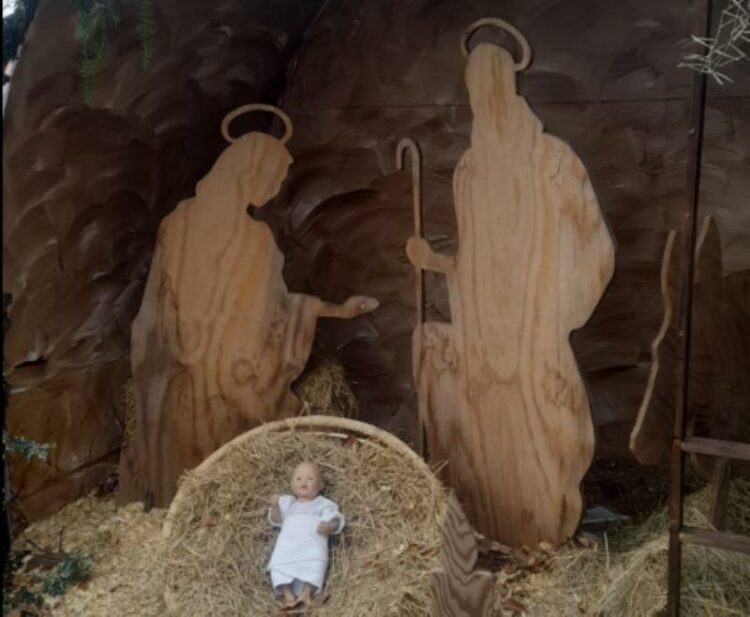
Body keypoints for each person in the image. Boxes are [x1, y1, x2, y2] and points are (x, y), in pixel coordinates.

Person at [267, 461, 344, 608]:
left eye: (310, 478)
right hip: (288, 547)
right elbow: (276, 520)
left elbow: (335, 519)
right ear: (291, 485)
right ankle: (289, 597)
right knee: (278, 566)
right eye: (299, 479)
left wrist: (329, 527)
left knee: (315, 567)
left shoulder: (323, 504)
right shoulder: (288, 503)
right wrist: (275, 507)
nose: (304, 482)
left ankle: (305, 596)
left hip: (312, 546)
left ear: (320, 486)